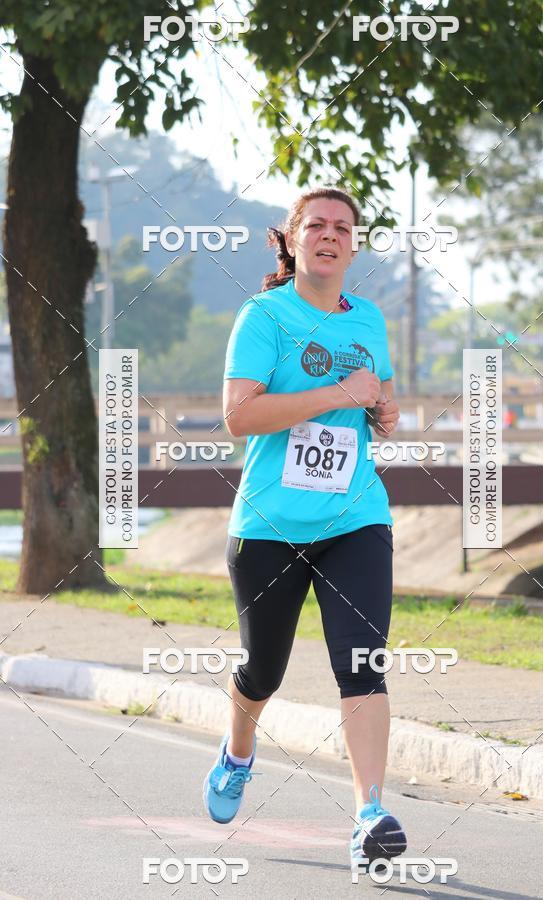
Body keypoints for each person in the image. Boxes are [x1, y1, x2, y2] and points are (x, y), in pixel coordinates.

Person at [202, 186, 407, 873]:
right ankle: (237, 750)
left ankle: (370, 813)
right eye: (315, 224)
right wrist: (337, 395)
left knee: (363, 663)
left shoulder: (371, 320)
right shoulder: (263, 316)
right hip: (269, 525)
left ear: (354, 245)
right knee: (263, 672)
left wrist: (383, 415)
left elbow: (374, 399)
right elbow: (238, 417)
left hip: (355, 516)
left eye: (342, 227)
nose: (329, 234)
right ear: (292, 241)